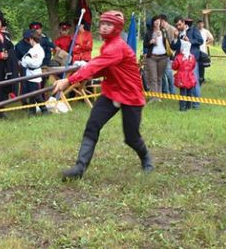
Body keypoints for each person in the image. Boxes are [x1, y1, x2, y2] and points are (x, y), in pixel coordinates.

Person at [53, 10, 154, 180]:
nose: (105, 28)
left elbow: (94, 66)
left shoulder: (117, 47)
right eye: (103, 24)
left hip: (130, 96)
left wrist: (68, 81)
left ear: (117, 28)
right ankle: (79, 168)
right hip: (111, 92)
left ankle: (146, 158)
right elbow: (101, 68)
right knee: (93, 125)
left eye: (109, 25)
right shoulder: (108, 45)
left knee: (131, 137)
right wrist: (83, 77)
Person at [171, 16, 203, 108]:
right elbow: (173, 47)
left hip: (191, 60)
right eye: (176, 25)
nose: (178, 27)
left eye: (179, 24)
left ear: (184, 23)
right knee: (184, 82)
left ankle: (196, 104)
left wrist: (190, 40)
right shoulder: (177, 33)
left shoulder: (193, 30)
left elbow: (200, 41)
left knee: (194, 81)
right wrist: (175, 38)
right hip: (181, 61)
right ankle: (186, 103)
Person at [21, 29, 49, 115]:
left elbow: (34, 63)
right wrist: (27, 60)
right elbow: (23, 61)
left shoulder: (39, 50)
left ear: (32, 40)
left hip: (35, 74)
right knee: (31, 94)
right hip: (29, 73)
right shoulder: (32, 49)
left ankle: (44, 110)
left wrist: (27, 60)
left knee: (36, 94)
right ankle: (32, 111)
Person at [144, 15, 169, 101]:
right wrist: (151, 42)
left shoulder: (164, 31)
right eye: (155, 21)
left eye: (158, 20)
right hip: (152, 57)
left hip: (163, 57)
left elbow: (169, 43)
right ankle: (154, 97)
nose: (157, 22)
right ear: (153, 22)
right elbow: (145, 45)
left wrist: (163, 36)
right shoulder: (149, 32)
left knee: (159, 77)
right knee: (153, 78)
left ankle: (159, 97)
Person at [172, 41, 197, 111]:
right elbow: (193, 66)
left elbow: (174, 67)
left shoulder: (178, 57)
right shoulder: (192, 57)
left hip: (181, 77)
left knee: (182, 92)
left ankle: (182, 108)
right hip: (190, 76)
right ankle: (189, 106)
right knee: (190, 92)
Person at [159, 14, 176, 94]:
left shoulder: (172, 29)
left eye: (160, 21)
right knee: (161, 74)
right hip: (161, 54)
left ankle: (172, 92)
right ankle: (164, 91)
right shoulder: (160, 30)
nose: (159, 23)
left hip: (169, 55)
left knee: (169, 73)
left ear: (163, 21)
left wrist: (172, 53)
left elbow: (175, 43)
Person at [197, 20, 214, 84]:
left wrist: (206, 43)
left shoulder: (205, 31)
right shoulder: (196, 31)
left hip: (203, 51)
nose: (200, 25)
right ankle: (197, 77)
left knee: (202, 65)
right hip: (196, 50)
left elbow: (211, 38)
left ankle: (202, 78)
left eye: (201, 24)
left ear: (203, 24)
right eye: (199, 24)